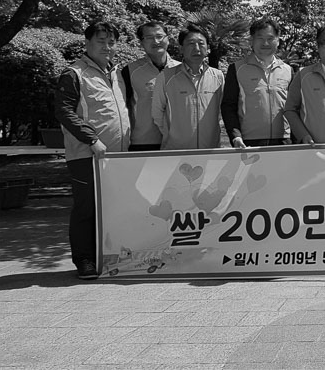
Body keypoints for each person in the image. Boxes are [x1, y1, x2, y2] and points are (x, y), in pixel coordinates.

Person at [53, 22, 131, 279]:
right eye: (101, 41)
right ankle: (84, 259)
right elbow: (64, 111)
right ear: (87, 43)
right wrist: (92, 139)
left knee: (112, 208)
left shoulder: (117, 73)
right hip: (87, 154)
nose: (107, 47)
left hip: (117, 156)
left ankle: (107, 256)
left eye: (111, 42)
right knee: (86, 208)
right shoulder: (74, 74)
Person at [221, 18, 293, 148]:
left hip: (283, 141)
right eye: (260, 38)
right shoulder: (237, 69)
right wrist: (235, 136)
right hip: (248, 142)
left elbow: (295, 107)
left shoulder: (288, 70)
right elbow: (228, 106)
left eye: (270, 38)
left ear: (278, 41)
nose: (265, 43)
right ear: (252, 41)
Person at [151, 23, 225, 150]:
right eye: (191, 43)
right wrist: (173, 134)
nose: (196, 48)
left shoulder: (218, 76)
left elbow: (221, 112)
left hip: (210, 149)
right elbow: (157, 113)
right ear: (181, 48)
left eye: (201, 43)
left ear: (208, 48)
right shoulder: (166, 76)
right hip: (176, 150)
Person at [122, 21, 179, 151]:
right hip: (143, 142)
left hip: (177, 141)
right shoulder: (130, 71)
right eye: (149, 37)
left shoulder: (181, 70)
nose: (156, 41)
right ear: (141, 43)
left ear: (168, 39)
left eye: (159, 36)